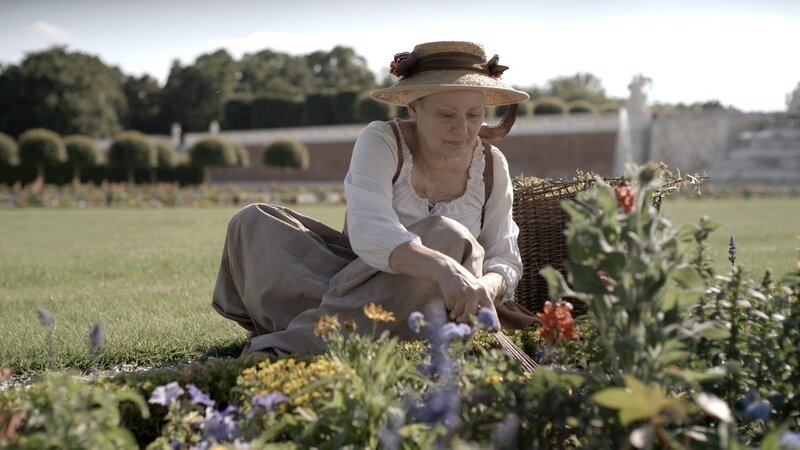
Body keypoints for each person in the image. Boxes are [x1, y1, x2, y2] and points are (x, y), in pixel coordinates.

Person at [212, 41, 537, 356]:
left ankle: (297, 341)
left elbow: (504, 257)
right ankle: (340, 323)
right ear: (414, 107)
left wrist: (484, 288)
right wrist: (443, 269)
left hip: (442, 302)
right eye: (447, 114)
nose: (462, 129)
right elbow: (370, 230)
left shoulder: (492, 165)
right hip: (353, 282)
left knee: (447, 235)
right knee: (252, 222)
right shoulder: (381, 141)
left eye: (474, 114)